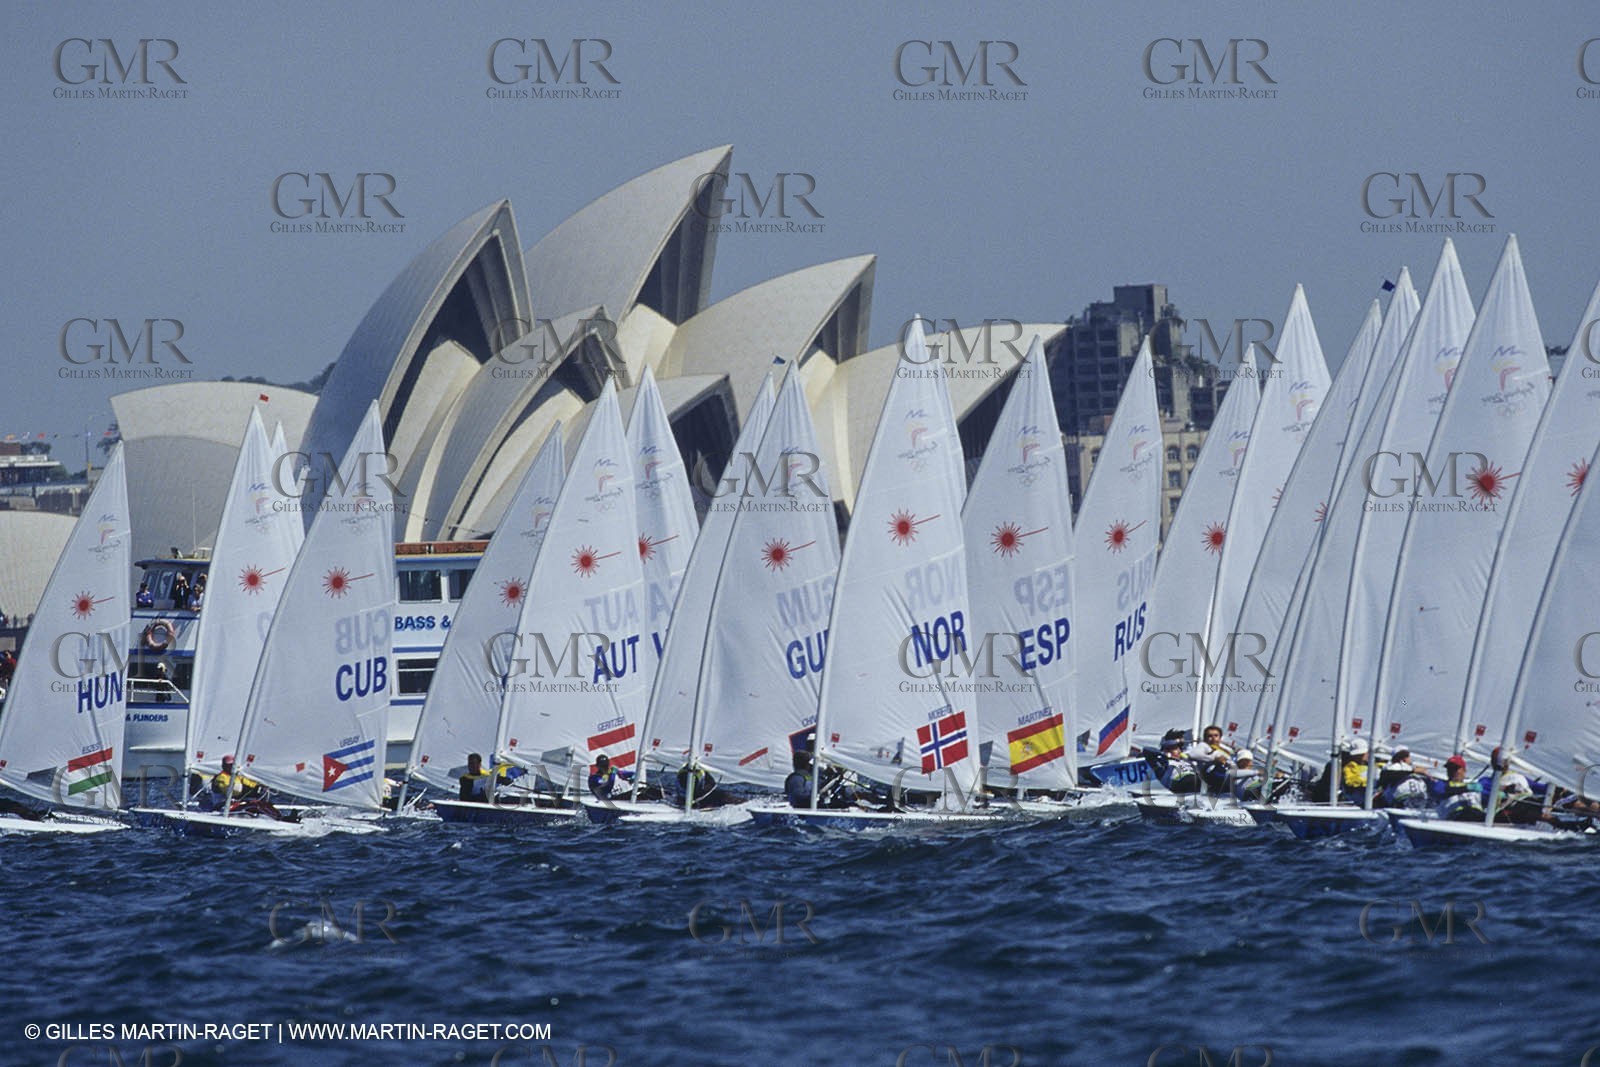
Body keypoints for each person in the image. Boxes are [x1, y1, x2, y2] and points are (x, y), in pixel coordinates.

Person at [204, 755, 291, 820]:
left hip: (236, 804)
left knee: (263, 804)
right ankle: (279, 819)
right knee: (255, 805)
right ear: (224, 765)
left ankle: (282, 818)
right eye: (229, 765)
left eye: (233, 764)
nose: (232, 766)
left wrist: (261, 785)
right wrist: (247, 790)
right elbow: (232, 792)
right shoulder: (221, 777)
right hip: (223, 806)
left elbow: (250, 783)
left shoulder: (238, 776)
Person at [1488, 746, 1539, 825]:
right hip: (1502, 814)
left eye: (1505, 761)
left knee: (1532, 803)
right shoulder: (1486, 781)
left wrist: (1559, 789)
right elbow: (1485, 791)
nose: (1503, 764)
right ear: (1492, 762)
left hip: (1525, 804)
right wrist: (1504, 790)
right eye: (1500, 761)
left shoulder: (1517, 777)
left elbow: (1538, 787)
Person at [1140, 730, 1201, 795]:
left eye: (1179, 748)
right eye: (1175, 748)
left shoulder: (1186, 760)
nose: (1179, 751)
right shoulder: (1164, 762)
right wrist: (1164, 754)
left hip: (1194, 780)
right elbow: (1146, 750)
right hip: (1178, 783)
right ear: (1166, 750)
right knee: (1192, 780)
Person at [458, 752, 524, 802]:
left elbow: (493, 779)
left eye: (475, 763)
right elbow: (465, 796)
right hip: (473, 802)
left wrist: (504, 780)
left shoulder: (486, 775)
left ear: (480, 764)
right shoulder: (464, 779)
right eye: (471, 764)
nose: (473, 766)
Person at [1436, 754, 1484, 822]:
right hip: (1455, 816)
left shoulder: (1474, 785)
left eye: (1455, 768)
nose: (1452, 771)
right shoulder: (1442, 784)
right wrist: (1466, 788)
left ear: (1464, 770)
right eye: (1450, 769)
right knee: (1468, 813)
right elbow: (1441, 791)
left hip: (1478, 815)